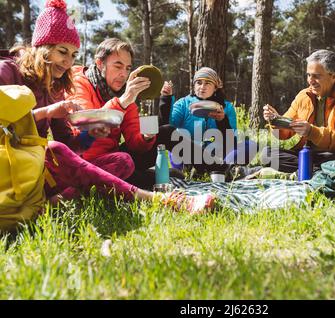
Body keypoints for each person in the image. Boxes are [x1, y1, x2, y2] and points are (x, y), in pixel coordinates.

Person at [0, 0, 214, 213]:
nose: (67, 62)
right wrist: (47, 112)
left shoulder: (57, 86)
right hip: (10, 165)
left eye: (73, 55)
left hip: (43, 168)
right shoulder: (19, 73)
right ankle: (160, 200)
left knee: (129, 157)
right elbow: (76, 130)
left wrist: (99, 134)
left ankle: (54, 203)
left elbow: (76, 145)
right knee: (55, 150)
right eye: (62, 51)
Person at [66, 38, 187, 190]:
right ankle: (155, 176)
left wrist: (146, 137)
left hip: (116, 156)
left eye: (128, 68)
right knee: (125, 169)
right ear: (99, 64)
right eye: (118, 66)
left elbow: (134, 143)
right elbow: (85, 125)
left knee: (167, 131)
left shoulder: (126, 94)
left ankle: (216, 167)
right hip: (87, 161)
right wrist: (122, 101)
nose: (124, 74)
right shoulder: (78, 83)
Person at [261, 49, 335, 173]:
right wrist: (276, 120)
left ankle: (307, 170)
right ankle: (322, 171)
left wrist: (312, 132)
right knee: (268, 154)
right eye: (309, 75)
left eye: (316, 76)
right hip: (311, 156)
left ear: (333, 76)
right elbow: (283, 134)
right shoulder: (304, 96)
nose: (310, 80)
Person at [159, 67, 258, 176]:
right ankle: (223, 170)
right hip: (189, 153)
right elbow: (167, 127)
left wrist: (222, 121)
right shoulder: (182, 104)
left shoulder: (227, 107)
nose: (202, 87)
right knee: (176, 145)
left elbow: (231, 142)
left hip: (217, 154)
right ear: (194, 85)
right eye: (199, 83)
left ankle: (220, 168)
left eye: (207, 83)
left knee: (250, 145)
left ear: (215, 87)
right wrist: (166, 99)